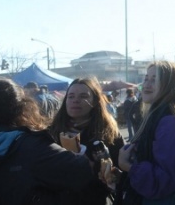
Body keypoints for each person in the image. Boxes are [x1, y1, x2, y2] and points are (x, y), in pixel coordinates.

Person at [0, 79, 94, 204]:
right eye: (71, 96)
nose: (75, 100)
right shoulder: (31, 146)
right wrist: (78, 153)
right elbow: (82, 171)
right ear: (23, 108)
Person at [117, 61, 175, 204]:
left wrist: (129, 167)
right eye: (146, 78)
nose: (147, 84)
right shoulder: (157, 117)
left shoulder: (170, 124)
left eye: (154, 79)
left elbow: (163, 182)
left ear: (170, 86)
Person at [49, 77, 126, 205]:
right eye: (71, 96)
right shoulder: (51, 132)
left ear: (95, 101)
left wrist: (95, 168)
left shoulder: (109, 134)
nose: (76, 101)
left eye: (83, 96)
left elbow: (120, 175)